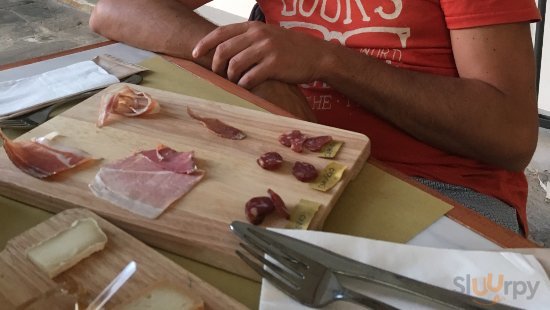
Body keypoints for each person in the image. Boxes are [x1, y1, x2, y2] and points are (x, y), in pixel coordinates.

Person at [89, 0, 541, 235]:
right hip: (291, 163)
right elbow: (116, 9)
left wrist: (329, 62)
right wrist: (257, 72)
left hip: (440, 187)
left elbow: (510, 136)